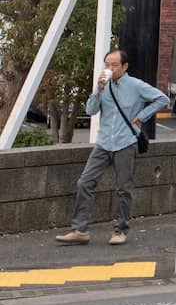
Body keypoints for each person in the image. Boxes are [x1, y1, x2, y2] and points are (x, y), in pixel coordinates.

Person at [56, 49, 169, 246]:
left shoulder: (135, 85)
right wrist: (98, 90)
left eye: (114, 65)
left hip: (126, 142)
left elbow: (163, 99)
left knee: (123, 188)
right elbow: (90, 110)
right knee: (85, 182)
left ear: (125, 67)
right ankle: (80, 230)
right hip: (104, 141)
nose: (109, 68)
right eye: (107, 64)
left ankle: (120, 230)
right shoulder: (104, 86)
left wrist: (142, 116)